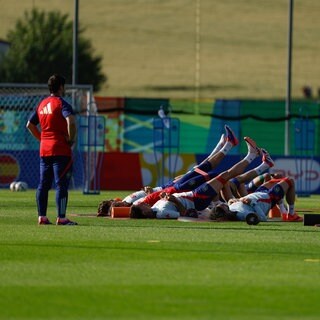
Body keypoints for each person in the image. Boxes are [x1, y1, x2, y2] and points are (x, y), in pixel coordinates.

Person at [129, 133, 263, 219]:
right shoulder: (160, 213)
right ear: (144, 213)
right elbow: (183, 214)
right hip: (196, 198)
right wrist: (173, 200)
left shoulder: (154, 209)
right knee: (224, 176)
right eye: (142, 207)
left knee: (214, 172)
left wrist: (169, 197)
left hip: (190, 194)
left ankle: (242, 151)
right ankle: (250, 155)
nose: (143, 205)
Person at [26, 74, 78, 225]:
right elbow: (71, 121)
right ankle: (61, 218)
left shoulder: (42, 104)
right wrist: (71, 139)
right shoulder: (62, 104)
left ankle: (42, 217)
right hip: (60, 149)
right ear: (61, 87)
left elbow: (29, 125)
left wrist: (42, 139)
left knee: (43, 184)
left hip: (44, 150)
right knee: (61, 184)